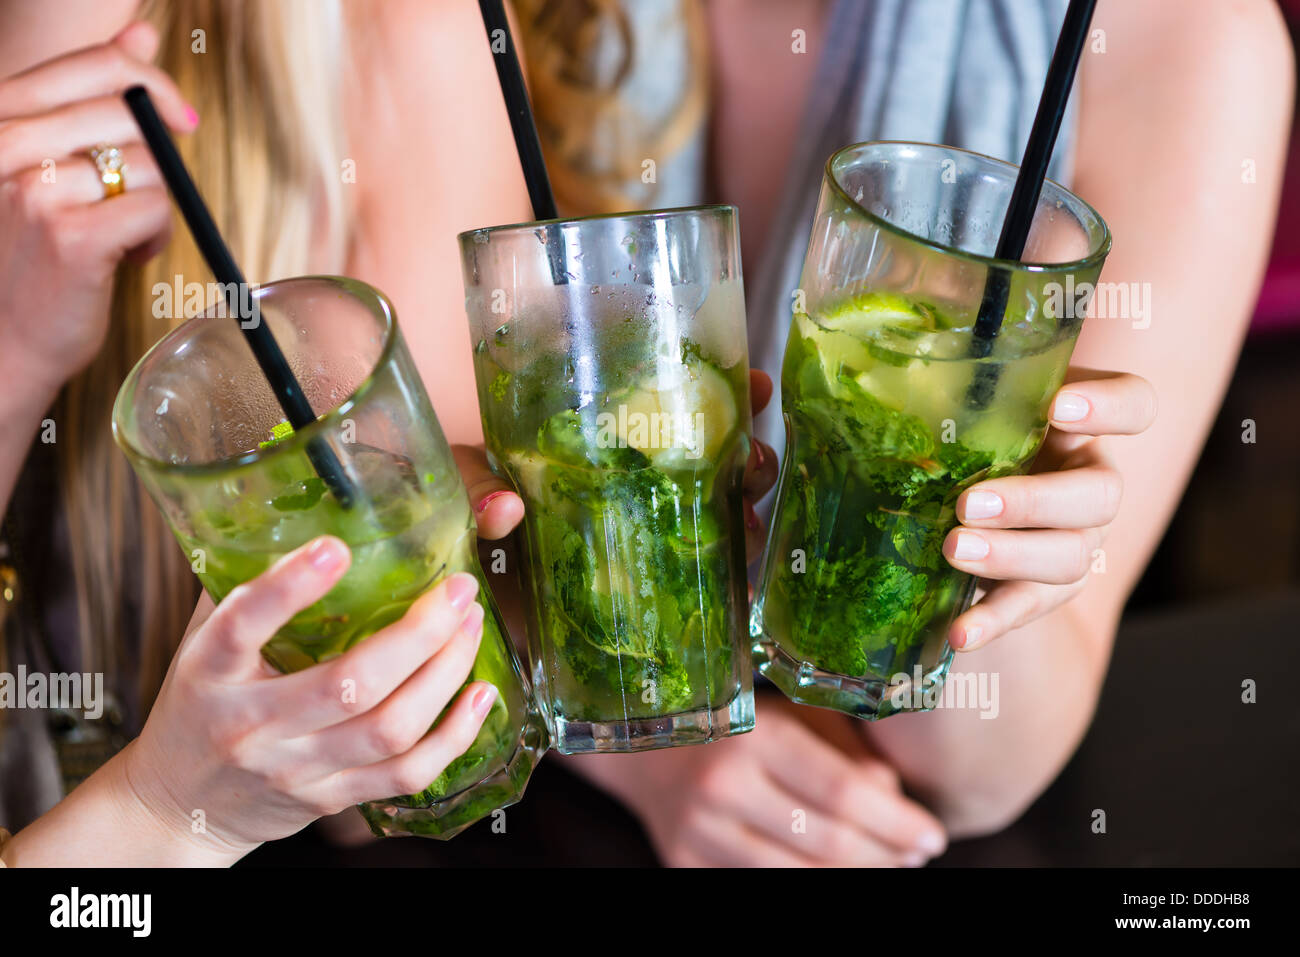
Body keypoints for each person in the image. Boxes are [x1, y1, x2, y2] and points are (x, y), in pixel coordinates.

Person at [0, 0, 1291, 869]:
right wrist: (635, 741)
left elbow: (1000, 756)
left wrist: (965, 551)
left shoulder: (1180, 43)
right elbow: (468, 545)